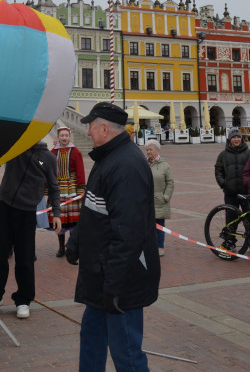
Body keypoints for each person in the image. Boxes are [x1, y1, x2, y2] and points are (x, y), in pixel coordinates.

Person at [65, 102, 160, 372]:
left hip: (120, 281)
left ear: (104, 128)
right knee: (92, 340)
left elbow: (128, 234)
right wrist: (76, 241)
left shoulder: (126, 166)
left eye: (91, 128)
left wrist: (114, 285)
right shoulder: (107, 158)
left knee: (126, 353)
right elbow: (93, 207)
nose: (88, 133)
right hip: (100, 275)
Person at [0, 140, 61, 318]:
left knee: (25, 258)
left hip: (27, 212)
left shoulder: (47, 158)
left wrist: (56, 213)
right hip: (5, 206)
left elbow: (54, 187)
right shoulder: (16, 147)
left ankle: (23, 300)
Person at [49, 127, 86, 257]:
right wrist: (39, 163)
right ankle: (61, 247)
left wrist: (81, 189)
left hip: (72, 188)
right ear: (58, 137)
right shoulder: (52, 152)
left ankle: (72, 246)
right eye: (62, 136)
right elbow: (44, 164)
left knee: (73, 218)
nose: (64, 138)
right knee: (60, 218)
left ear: (69, 137)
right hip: (58, 188)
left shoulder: (75, 152)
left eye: (66, 136)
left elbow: (80, 170)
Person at [214, 127, 250, 229]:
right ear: (229, 139)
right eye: (233, 137)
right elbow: (218, 170)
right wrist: (223, 183)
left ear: (241, 138)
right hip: (230, 193)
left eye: (238, 137)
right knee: (231, 219)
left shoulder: (249, 154)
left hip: (246, 193)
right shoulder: (223, 155)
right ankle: (230, 241)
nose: (236, 139)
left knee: (249, 218)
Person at [144, 139, 174, 257]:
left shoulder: (164, 165)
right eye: (147, 150)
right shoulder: (144, 164)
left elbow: (170, 183)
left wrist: (165, 197)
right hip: (146, 201)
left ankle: (160, 247)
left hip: (159, 201)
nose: (148, 152)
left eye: (150, 149)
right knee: (147, 226)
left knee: (159, 225)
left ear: (157, 150)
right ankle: (149, 246)